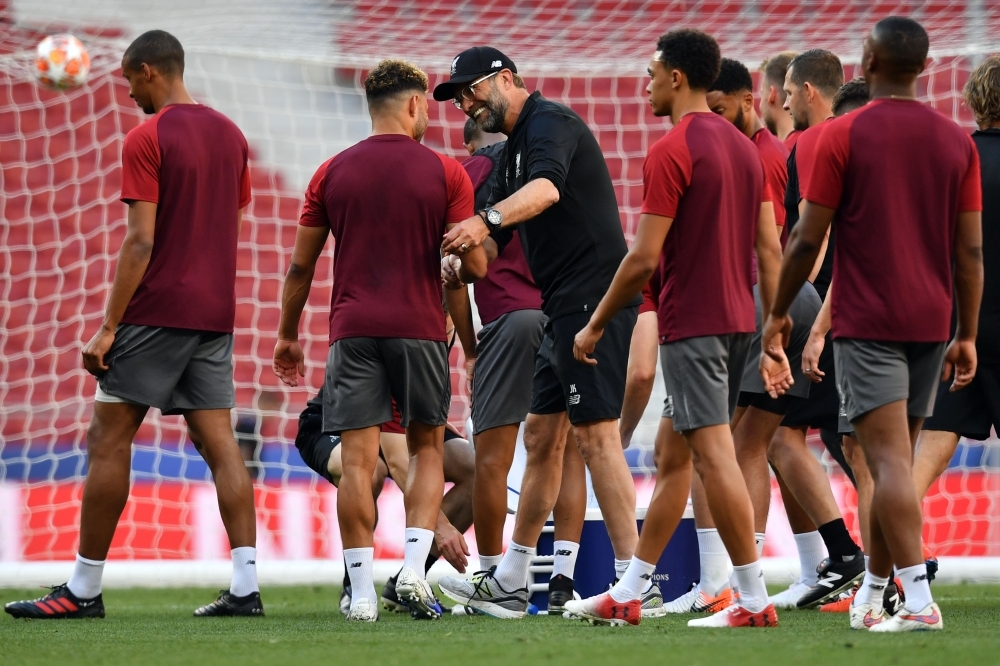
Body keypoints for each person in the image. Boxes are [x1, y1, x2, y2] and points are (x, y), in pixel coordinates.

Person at [6, 30, 262, 620]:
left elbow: (141, 240)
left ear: (149, 71)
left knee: (107, 439)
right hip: (213, 313)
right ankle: (246, 588)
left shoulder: (148, 137)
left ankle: (83, 589)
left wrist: (107, 327)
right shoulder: (231, 135)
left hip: (156, 310)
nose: (127, 95)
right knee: (220, 445)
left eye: (128, 81)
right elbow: (233, 218)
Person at [762, 17, 982, 632]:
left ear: (867, 59)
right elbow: (969, 252)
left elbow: (808, 236)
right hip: (932, 319)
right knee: (894, 460)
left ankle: (917, 603)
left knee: (885, 464)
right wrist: (963, 333)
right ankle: (874, 592)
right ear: (923, 65)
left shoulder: (842, 134)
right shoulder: (954, 139)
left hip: (868, 319)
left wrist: (779, 315)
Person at [566, 29, 786, 628]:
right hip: (739, 318)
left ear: (677, 78)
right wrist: (772, 333)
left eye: (652, 73)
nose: (646, 84)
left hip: (695, 324)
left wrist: (594, 325)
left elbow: (641, 258)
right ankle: (631, 590)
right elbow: (770, 251)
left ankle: (752, 600)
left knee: (715, 458)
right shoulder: (746, 148)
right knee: (674, 456)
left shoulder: (672, 149)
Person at [272, 59, 487, 622]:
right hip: (418, 330)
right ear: (415, 105)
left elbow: (300, 269)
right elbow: (471, 264)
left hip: (353, 330)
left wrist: (288, 336)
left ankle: (361, 594)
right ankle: (413, 574)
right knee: (425, 451)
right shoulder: (447, 173)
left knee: (361, 461)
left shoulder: (331, 172)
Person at [434, 46, 643, 618]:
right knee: (542, 439)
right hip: (559, 304)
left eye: (470, 89)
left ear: (505, 79)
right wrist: (463, 257)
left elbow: (546, 191)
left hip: (591, 296)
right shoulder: (507, 158)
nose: (464, 104)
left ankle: (633, 580)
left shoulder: (550, 123)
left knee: (596, 436)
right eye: (456, 98)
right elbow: (494, 247)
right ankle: (511, 578)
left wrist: (483, 220)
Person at [765, 49, 869, 611]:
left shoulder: (811, 143)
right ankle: (882, 560)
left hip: (822, 311)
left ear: (807, 91)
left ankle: (852, 556)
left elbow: (814, 231)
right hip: (852, 306)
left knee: (778, 435)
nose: (778, 100)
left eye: (784, 89)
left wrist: (789, 311)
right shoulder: (852, 138)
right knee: (846, 439)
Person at [914, 55, 1000, 575]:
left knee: (927, 454)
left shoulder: (952, 158)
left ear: (973, 101)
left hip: (954, 331)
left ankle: (887, 567)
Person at [294, 388, 475, 615]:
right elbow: (398, 461)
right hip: (334, 423)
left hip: (399, 425)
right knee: (368, 473)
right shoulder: (396, 354)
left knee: (475, 471)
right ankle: (355, 586)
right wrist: (440, 525)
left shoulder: (440, 353)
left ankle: (409, 579)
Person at [759, 51, 799, 148]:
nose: (760, 105)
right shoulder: (818, 142)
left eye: (762, 94)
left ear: (771, 95)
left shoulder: (780, 154)